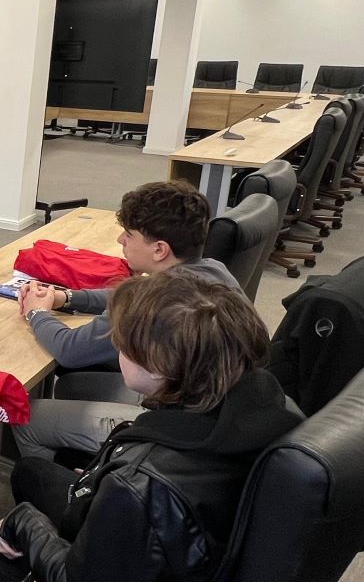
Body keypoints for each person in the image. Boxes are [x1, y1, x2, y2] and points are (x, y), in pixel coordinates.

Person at [0, 271, 304, 582]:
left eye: (122, 343)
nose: (117, 348)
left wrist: (25, 523)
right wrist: (102, 479)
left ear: (158, 366)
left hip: (123, 549)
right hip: (185, 544)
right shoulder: (260, 397)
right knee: (31, 471)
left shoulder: (137, 485)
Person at [13, 179, 240, 459]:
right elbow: (125, 294)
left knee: (25, 418)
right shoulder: (213, 271)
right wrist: (67, 297)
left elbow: (70, 349)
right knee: (71, 386)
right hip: (211, 410)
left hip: (174, 431)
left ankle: (80, 483)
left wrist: (37, 312)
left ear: (159, 249)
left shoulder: (152, 302)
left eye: (129, 235)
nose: (120, 240)